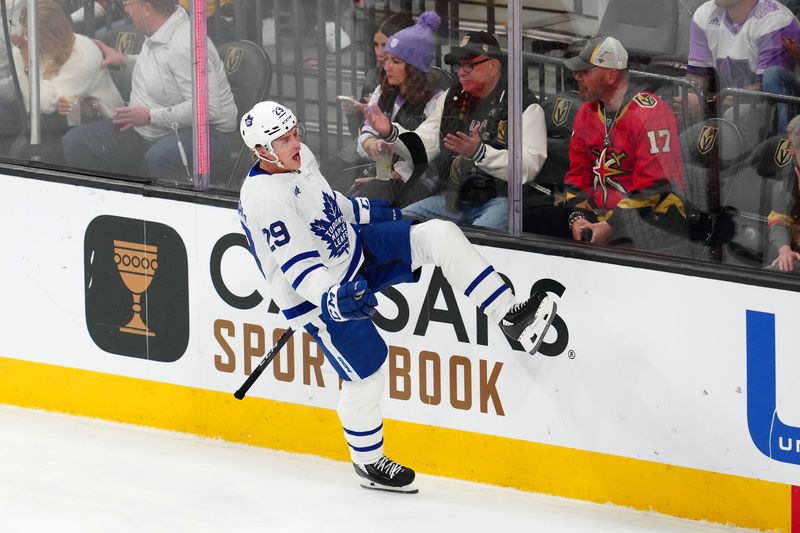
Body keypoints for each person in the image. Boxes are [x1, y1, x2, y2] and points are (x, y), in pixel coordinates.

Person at [237, 100, 556, 493]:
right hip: (316, 298)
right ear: (261, 150)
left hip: (352, 252)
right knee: (367, 374)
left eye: (294, 132)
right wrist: (334, 299)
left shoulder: (299, 159)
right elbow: (299, 268)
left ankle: (511, 317)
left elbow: (327, 206)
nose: (295, 142)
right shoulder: (265, 199)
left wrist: (371, 212)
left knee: (438, 235)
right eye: (283, 140)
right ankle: (369, 462)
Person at [360, 31, 547, 230]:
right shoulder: (452, 98)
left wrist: (480, 153)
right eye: (458, 65)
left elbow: (528, 167)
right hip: (453, 198)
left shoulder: (523, 105)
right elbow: (425, 145)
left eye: (469, 65)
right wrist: (392, 132)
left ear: (493, 66)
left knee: (476, 242)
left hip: (502, 200)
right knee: (399, 224)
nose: (461, 72)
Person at [61, 0, 237, 181]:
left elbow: (208, 107)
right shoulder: (158, 31)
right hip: (151, 129)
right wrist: (124, 60)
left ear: (147, 8)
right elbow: (164, 72)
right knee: (77, 141)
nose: (125, 9)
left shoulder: (185, 44)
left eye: (128, 3)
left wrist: (150, 116)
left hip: (206, 135)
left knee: (159, 158)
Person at [563, 35, 689, 254]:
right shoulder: (586, 112)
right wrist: (578, 216)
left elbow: (653, 187)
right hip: (605, 215)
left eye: (586, 71)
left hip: (655, 218)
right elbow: (577, 173)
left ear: (611, 75)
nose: (577, 76)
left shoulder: (651, 113)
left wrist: (611, 226)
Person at [353, 11, 445, 207]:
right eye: (386, 59)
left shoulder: (437, 101)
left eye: (395, 62)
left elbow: (425, 152)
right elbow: (366, 132)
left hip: (420, 184)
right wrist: (370, 143)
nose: (386, 67)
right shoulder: (384, 90)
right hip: (385, 175)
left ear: (414, 68)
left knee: (367, 203)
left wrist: (390, 135)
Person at [9, 0, 123, 159]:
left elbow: (45, 104)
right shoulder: (24, 49)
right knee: (16, 155)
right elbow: (30, 104)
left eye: (33, 36)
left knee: (41, 160)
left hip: (95, 121)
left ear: (50, 36)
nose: (27, 39)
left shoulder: (84, 53)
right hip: (52, 120)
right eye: (26, 33)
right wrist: (26, 60)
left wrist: (29, 64)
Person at [682, 0, 800, 133]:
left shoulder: (777, 21)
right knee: (675, 112)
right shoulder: (704, 14)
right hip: (722, 103)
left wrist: (712, 101)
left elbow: (769, 89)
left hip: (767, 109)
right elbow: (698, 74)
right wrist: (692, 97)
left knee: (734, 116)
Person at [768, 114, 800, 271]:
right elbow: (778, 218)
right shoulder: (792, 172)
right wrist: (784, 249)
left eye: (793, 145)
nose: (789, 151)